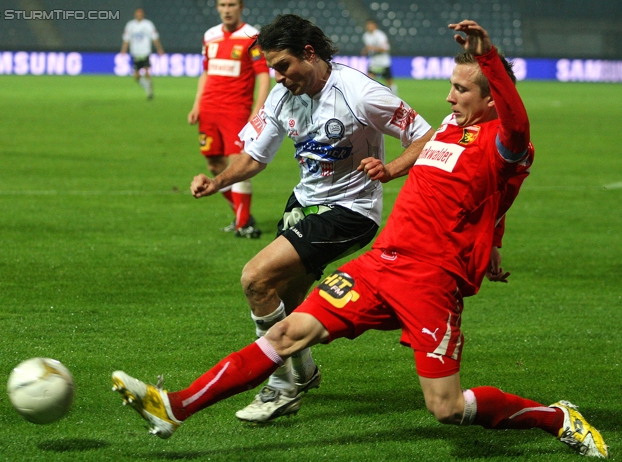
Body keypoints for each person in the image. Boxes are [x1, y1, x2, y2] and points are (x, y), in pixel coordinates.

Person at [111, 19, 608, 458]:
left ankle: (557, 418)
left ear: (491, 97)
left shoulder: (504, 141)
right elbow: (490, 198)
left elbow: (515, 137)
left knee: (446, 408)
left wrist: (490, 58)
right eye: (452, 87)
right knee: (284, 334)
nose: (449, 98)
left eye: (461, 89)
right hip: (380, 264)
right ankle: (174, 407)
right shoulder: (447, 133)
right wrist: (395, 172)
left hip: (432, 280)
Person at [187, 14, 433, 422]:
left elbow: (425, 135)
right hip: (303, 205)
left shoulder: (360, 92)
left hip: (350, 212)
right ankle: (304, 373)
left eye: (283, 66)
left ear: (309, 53)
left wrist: (392, 169)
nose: (279, 77)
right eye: (273, 69)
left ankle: (281, 388)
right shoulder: (282, 98)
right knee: (281, 305)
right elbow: (253, 157)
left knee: (255, 278)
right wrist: (218, 182)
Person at [188, 0, 271, 238]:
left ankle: (244, 224)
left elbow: (263, 75)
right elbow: (206, 71)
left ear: (240, 7)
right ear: (217, 7)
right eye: (222, 4)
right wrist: (196, 104)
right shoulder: (210, 36)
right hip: (209, 110)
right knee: (214, 165)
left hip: (236, 111)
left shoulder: (251, 35)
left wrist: (258, 109)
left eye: (231, 4)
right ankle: (240, 214)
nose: (227, 9)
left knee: (237, 165)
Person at [120, 8, 164, 100]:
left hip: (145, 52)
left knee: (147, 72)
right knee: (136, 76)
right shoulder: (130, 25)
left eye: (140, 14)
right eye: (137, 14)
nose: (139, 15)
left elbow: (154, 37)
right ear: (135, 15)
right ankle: (147, 86)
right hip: (135, 52)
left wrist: (159, 49)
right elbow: (126, 39)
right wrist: (123, 50)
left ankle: (149, 92)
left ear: (143, 15)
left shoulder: (148, 24)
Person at [361, 19, 397, 95]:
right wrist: (365, 50)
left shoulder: (380, 35)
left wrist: (373, 48)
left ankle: (395, 96)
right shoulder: (366, 36)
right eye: (368, 25)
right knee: (369, 79)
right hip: (374, 62)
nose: (369, 27)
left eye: (371, 25)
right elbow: (368, 47)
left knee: (389, 81)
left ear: (375, 26)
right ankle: (369, 97)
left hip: (383, 62)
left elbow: (386, 48)